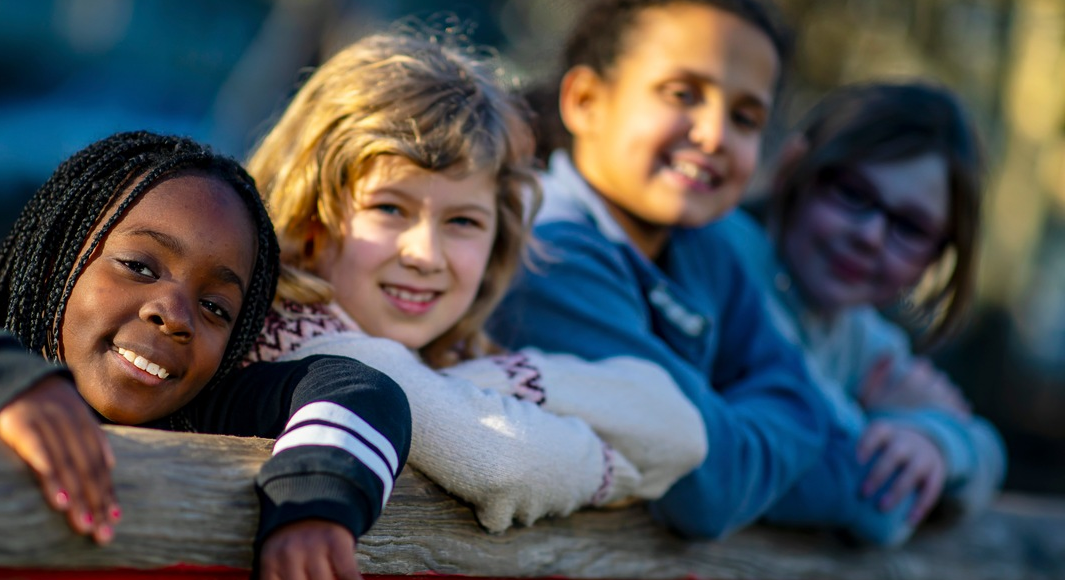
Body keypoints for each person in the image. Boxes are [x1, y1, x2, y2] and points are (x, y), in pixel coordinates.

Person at [0, 131, 412, 580]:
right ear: (58, 259)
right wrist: (3, 379)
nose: (174, 315)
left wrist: (314, 506)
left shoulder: (204, 411)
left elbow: (362, 389)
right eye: (139, 266)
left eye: (215, 308)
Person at [488, 0, 924, 545]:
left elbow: (799, 405)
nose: (715, 134)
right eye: (682, 94)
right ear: (586, 101)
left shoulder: (706, 249)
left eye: (745, 117)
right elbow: (709, 482)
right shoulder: (550, 256)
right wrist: (774, 434)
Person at [242, 31, 708, 535]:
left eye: (463, 221)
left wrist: (469, 389)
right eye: (389, 209)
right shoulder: (302, 339)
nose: (425, 255)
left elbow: (680, 429)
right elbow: (501, 463)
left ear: (498, 241)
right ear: (312, 217)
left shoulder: (451, 358)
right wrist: (610, 470)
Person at [721, 81, 1006, 525]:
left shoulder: (858, 331)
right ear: (795, 168)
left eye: (909, 228)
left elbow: (988, 451)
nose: (870, 236)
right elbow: (872, 500)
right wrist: (879, 427)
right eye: (853, 194)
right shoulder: (721, 265)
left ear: (936, 256)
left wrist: (936, 443)